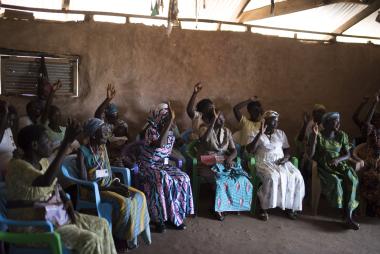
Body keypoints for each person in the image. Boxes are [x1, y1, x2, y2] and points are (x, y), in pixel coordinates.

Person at [5, 121, 117, 254]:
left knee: (102, 224)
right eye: (47, 141)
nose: (52, 143)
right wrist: (66, 143)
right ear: (34, 145)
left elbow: (54, 184)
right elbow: (45, 181)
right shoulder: (18, 166)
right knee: (89, 240)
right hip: (35, 226)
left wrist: (64, 197)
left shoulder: (43, 162)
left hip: (55, 215)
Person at [77, 118, 151, 251]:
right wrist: (113, 189)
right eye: (104, 132)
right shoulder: (82, 152)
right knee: (125, 203)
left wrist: (118, 184)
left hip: (110, 184)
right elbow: (86, 184)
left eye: (107, 132)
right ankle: (120, 239)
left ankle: (133, 235)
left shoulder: (102, 147)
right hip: (95, 191)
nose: (107, 135)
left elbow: (108, 171)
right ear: (93, 134)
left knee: (140, 196)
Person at [138, 102, 194, 233]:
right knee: (162, 178)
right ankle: (158, 219)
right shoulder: (150, 130)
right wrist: (170, 122)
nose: (168, 121)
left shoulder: (170, 130)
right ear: (159, 117)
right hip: (147, 166)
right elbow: (159, 144)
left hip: (162, 165)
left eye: (168, 118)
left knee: (183, 178)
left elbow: (173, 144)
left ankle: (176, 216)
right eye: (165, 118)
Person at [247, 111, 305, 221]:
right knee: (272, 177)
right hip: (263, 162)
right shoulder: (254, 133)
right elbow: (249, 150)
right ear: (265, 122)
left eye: (277, 122)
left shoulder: (281, 133)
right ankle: (264, 208)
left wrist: (286, 158)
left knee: (297, 176)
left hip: (281, 162)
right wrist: (260, 134)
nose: (276, 125)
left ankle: (290, 206)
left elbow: (287, 149)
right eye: (273, 122)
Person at [197, 110, 253, 221]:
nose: (222, 120)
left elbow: (233, 150)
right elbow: (204, 141)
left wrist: (229, 159)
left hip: (223, 161)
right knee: (220, 181)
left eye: (222, 118)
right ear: (212, 120)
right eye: (218, 118)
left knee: (242, 178)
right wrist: (212, 124)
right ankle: (217, 208)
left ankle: (231, 205)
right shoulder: (204, 129)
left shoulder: (227, 131)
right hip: (207, 163)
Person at [308, 112, 360, 230]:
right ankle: (345, 214)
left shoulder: (341, 135)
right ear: (327, 124)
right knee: (336, 181)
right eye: (335, 121)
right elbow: (311, 155)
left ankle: (348, 215)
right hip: (325, 166)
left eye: (338, 120)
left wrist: (338, 159)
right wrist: (314, 136)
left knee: (352, 179)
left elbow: (348, 154)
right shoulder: (318, 135)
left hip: (339, 164)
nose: (338, 123)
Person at [0, 101, 17, 180]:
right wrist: (5, 113)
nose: (11, 123)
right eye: (9, 120)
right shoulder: (2, 131)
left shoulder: (8, 129)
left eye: (12, 121)